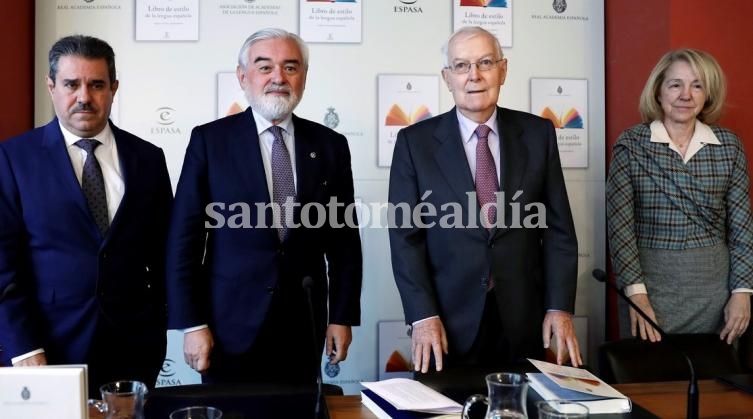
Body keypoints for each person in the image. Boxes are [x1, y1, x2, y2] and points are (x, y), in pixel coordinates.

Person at [166, 28, 362, 384]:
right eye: (265, 67)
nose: (278, 78)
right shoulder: (210, 141)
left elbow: (345, 242)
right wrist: (192, 323)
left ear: (303, 76)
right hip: (227, 327)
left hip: (304, 325)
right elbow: (184, 241)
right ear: (243, 77)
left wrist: (342, 315)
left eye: (290, 67)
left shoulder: (331, 145)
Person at [388, 26, 581, 373]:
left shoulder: (538, 135)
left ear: (503, 70)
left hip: (523, 323)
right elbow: (405, 239)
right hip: (445, 325)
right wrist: (422, 315)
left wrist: (560, 307)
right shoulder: (414, 144)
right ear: (447, 77)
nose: (473, 76)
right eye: (461, 66)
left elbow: (558, 231)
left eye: (485, 63)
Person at [0, 35, 173, 396]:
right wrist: (25, 349)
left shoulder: (148, 159)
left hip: (134, 351)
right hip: (47, 350)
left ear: (114, 88)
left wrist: (157, 330)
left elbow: (164, 253)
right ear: (51, 87)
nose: (84, 97)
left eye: (96, 85)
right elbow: (4, 267)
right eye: (71, 84)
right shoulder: (14, 160)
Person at [607, 48, 752, 344]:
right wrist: (637, 295)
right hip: (649, 289)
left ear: (707, 94)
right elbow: (620, 230)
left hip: (716, 294)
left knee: (715, 383)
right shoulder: (632, 145)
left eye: (697, 85)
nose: (686, 95)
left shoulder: (729, 146)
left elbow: (742, 230)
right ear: (658, 91)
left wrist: (742, 293)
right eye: (676, 84)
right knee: (650, 383)